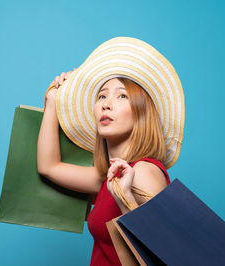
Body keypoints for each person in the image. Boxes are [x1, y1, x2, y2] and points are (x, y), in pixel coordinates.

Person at [37, 37, 184, 265]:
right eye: (102, 96)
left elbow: (161, 257)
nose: (106, 104)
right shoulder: (109, 177)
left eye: (122, 95)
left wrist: (125, 200)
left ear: (142, 113)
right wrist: (53, 102)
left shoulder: (143, 172)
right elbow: (48, 167)